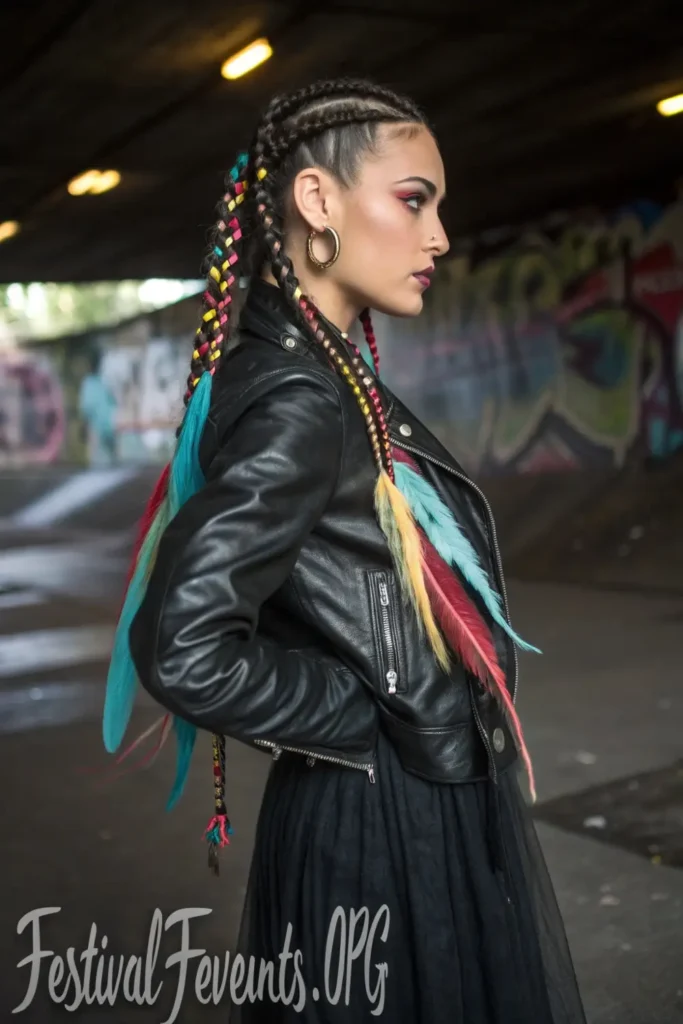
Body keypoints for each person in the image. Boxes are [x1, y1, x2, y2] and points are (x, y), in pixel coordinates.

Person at [103, 78, 586, 1022]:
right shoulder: (301, 400)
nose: (438, 236)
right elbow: (181, 644)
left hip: (394, 801)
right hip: (384, 824)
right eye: (414, 200)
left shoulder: (319, 374)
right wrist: (357, 713)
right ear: (318, 201)